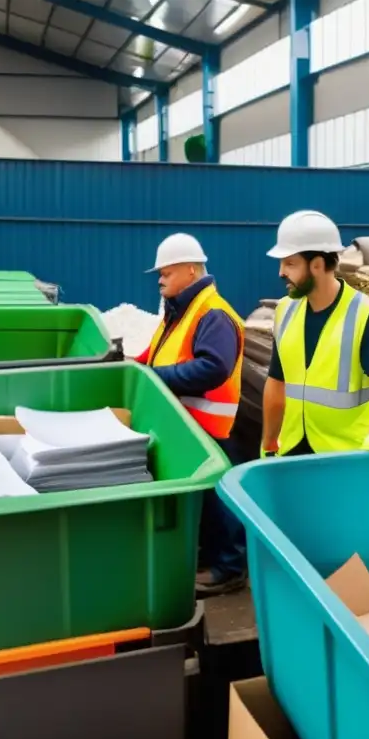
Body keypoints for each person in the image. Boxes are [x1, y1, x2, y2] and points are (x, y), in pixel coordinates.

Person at [135, 233, 247, 595]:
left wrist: (155, 378)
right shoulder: (179, 312)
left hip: (212, 427)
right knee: (204, 501)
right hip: (189, 425)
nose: (160, 278)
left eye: (166, 271)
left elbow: (214, 367)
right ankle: (209, 558)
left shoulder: (212, 314)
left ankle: (230, 568)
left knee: (218, 499)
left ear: (191, 269)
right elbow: (154, 356)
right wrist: (128, 368)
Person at [260, 210, 369, 459]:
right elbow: (276, 383)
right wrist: (269, 442)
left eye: (290, 263)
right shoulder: (284, 311)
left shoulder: (365, 313)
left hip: (345, 457)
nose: (281, 272)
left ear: (317, 265)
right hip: (293, 450)